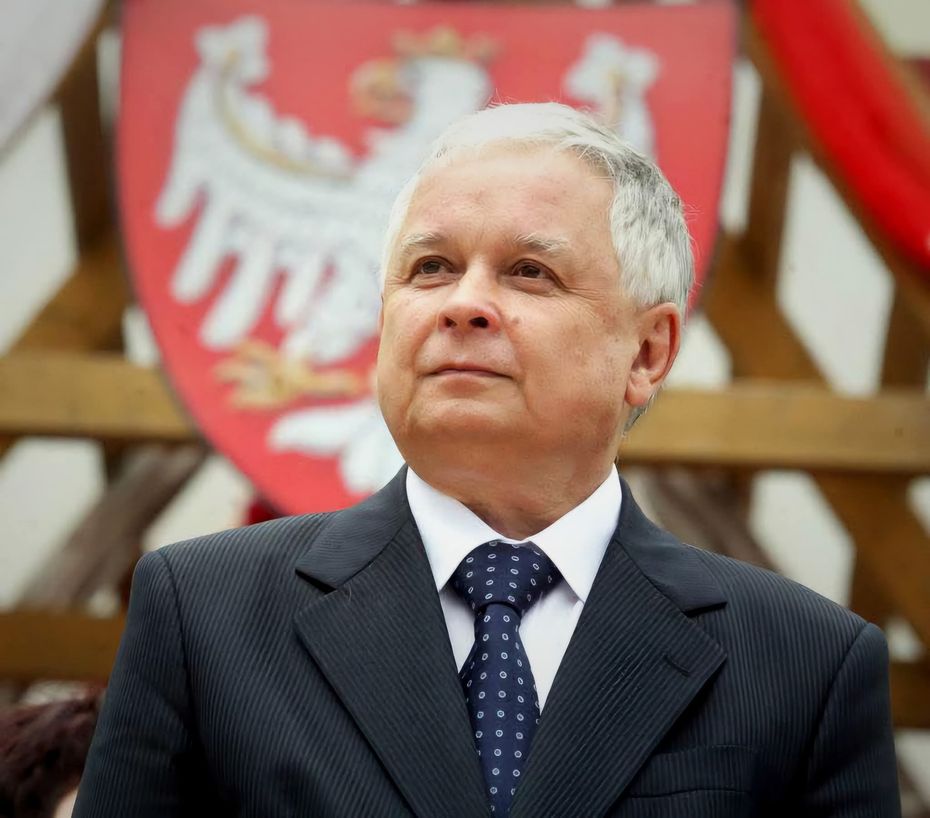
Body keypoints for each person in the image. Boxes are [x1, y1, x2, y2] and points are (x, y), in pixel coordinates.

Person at [73, 102, 900, 817]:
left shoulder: (805, 666)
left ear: (648, 352)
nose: (464, 303)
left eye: (529, 272)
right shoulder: (203, 615)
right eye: (430, 268)